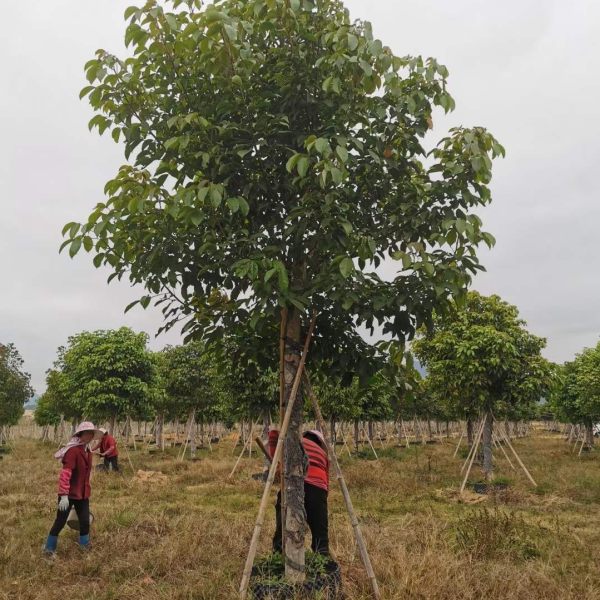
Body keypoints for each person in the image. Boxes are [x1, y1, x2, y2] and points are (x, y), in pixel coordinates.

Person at [43, 421, 102, 556]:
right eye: (87, 433)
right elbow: (65, 474)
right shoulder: (72, 451)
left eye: (91, 433)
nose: (90, 436)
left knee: (85, 521)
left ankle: (84, 547)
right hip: (68, 494)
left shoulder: (87, 451)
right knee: (60, 521)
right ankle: (49, 549)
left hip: (83, 494)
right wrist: (63, 495)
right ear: (80, 435)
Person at [268, 428, 330, 555]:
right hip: (317, 488)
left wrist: (276, 460)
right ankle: (323, 560)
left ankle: (278, 555)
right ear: (320, 442)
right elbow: (326, 484)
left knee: (283, 525)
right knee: (320, 534)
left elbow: (273, 433)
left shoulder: (296, 442)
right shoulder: (323, 454)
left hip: (292, 484)